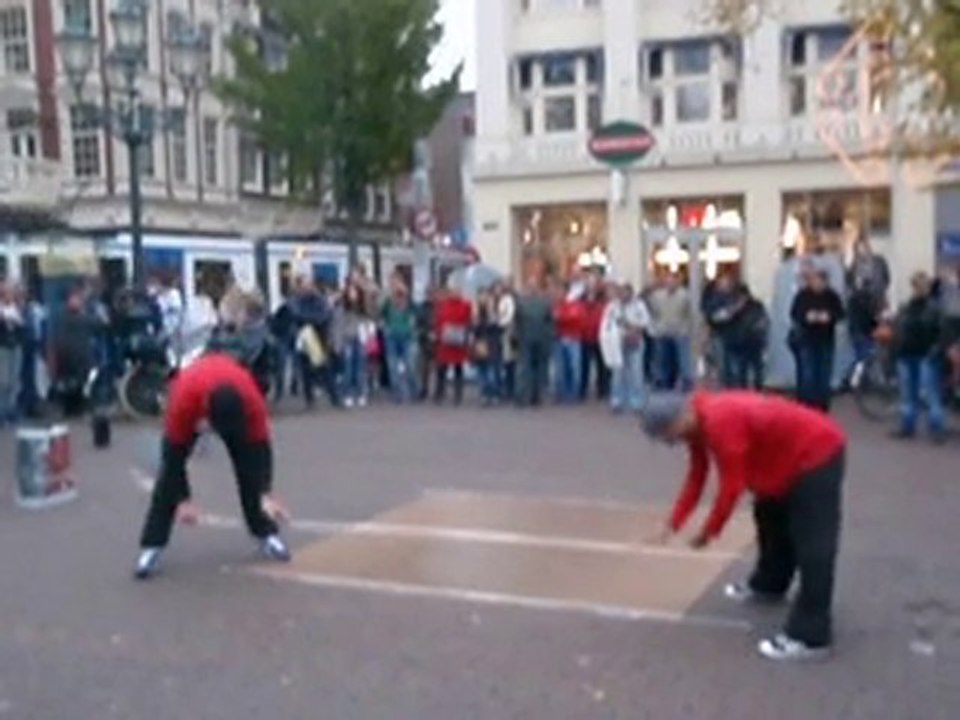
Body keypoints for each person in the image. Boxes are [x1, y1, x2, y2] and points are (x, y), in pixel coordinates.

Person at [641, 391, 846, 662]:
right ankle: (770, 583)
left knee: (813, 542)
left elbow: (731, 486)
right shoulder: (698, 424)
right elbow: (697, 476)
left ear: (682, 416)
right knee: (769, 516)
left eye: (668, 433)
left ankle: (811, 635)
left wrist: (709, 531)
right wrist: (672, 524)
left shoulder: (720, 422)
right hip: (782, 461)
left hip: (817, 452)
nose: (669, 442)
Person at [134, 329, 292, 580]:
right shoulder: (184, 401)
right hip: (194, 394)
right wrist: (182, 499)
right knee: (167, 481)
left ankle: (265, 532)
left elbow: (260, 449)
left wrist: (265, 491)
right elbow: (173, 459)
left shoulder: (251, 400)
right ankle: (152, 546)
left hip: (227, 387)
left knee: (247, 466)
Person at [891, 271, 945, 443]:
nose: (919, 289)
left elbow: (941, 333)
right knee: (908, 394)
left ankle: (936, 428)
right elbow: (900, 328)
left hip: (926, 355)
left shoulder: (935, 308)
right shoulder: (907, 306)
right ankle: (908, 426)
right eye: (916, 285)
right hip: (906, 353)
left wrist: (935, 350)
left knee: (929, 393)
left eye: (922, 285)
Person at [790, 269, 844, 411]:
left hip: (826, 339)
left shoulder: (832, 296)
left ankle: (821, 403)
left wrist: (829, 317)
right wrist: (807, 317)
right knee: (808, 373)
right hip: (807, 338)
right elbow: (795, 313)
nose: (817, 284)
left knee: (824, 373)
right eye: (814, 280)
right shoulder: (803, 295)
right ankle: (807, 402)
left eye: (820, 281)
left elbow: (840, 314)